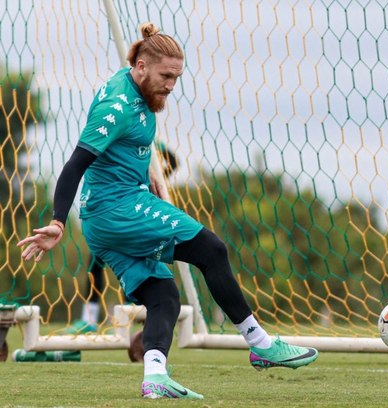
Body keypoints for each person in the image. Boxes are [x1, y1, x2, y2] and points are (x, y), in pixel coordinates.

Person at [18, 22, 318, 399]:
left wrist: (151, 172)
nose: (171, 85)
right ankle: (259, 343)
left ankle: (155, 377)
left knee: (164, 297)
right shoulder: (117, 106)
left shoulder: (140, 90)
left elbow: (130, 145)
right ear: (141, 66)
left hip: (110, 216)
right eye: (166, 76)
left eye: (177, 77)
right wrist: (58, 221)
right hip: (118, 209)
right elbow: (76, 163)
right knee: (212, 250)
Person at [67, 141, 179, 335]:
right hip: (111, 208)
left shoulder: (151, 144)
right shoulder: (114, 137)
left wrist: (157, 178)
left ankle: (128, 316)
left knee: (132, 263)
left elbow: (174, 161)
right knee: (95, 261)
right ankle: (89, 319)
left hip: (136, 208)